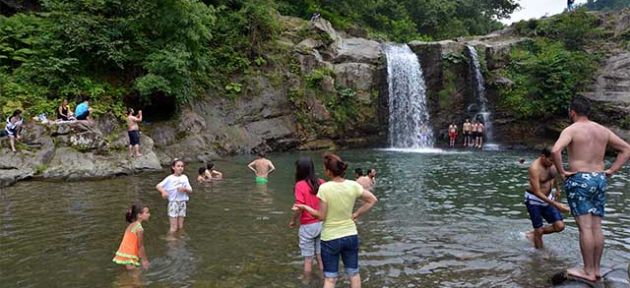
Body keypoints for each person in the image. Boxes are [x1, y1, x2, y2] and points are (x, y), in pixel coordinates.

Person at [551, 97, 630, 281]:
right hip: (599, 178)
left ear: (572, 112)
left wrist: (562, 172)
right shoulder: (602, 130)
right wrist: (611, 170)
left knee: (585, 227)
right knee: (596, 226)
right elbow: (627, 149)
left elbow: (555, 150)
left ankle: (587, 271)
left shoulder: (571, 130)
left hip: (579, 179)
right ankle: (596, 270)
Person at [293, 153, 378, 288]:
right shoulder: (352, 185)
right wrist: (356, 214)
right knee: (354, 274)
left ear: (328, 171)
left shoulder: (325, 188)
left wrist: (305, 207)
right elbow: (372, 200)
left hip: (331, 238)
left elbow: (321, 216)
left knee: (330, 279)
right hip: (350, 235)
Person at [524, 147, 568, 249]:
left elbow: (553, 176)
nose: (553, 163)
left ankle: (533, 234)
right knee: (538, 230)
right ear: (543, 156)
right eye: (551, 160)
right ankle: (539, 256)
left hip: (548, 198)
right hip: (534, 200)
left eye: (554, 160)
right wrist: (557, 204)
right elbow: (537, 192)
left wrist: (557, 189)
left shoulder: (552, 163)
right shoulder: (534, 168)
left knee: (560, 226)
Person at [289, 156, 325, 279]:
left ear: (299, 170)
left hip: (308, 226)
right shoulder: (321, 182)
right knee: (321, 257)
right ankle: (326, 281)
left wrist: (293, 220)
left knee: (308, 259)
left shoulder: (300, 185)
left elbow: (299, 206)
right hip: (322, 224)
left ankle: (306, 282)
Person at [156, 159, 193, 233]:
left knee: (180, 226)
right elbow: (158, 186)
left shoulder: (184, 177)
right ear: (173, 167)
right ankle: (171, 242)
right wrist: (163, 192)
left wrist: (184, 189)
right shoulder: (170, 178)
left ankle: (179, 241)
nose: (180, 168)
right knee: (173, 228)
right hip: (173, 203)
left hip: (182, 203)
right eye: (178, 166)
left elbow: (190, 190)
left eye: (182, 166)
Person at [112, 204, 151, 270]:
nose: (149, 214)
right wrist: (144, 260)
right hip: (130, 255)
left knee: (131, 273)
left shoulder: (131, 225)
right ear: (139, 215)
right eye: (147, 213)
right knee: (136, 276)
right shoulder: (139, 229)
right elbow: (140, 246)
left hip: (125, 253)